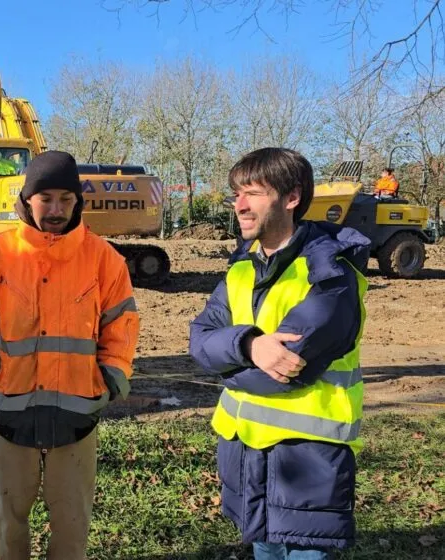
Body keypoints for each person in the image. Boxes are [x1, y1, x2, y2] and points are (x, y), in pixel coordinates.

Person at [0, 150, 139, 560]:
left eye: (66, 199)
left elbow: (121, 325)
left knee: (72, 525)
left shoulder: (103, 258)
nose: (56, 210)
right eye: (46, 198)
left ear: (78, 202)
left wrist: (110, 378)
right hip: (10, 413)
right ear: (26, 199)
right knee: (8, 519)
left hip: (77, 416)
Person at [189, 147, 370, 560]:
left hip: (307, 459)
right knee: (265, 552)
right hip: (247, 456)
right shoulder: (241, 268)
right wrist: (250, 344)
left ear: (291, 198)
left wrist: (227, 362)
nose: (239, 205)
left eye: (253, 193)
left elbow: (286, 370)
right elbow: (199, 340)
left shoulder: (331, 274)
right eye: (236, 194)